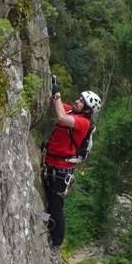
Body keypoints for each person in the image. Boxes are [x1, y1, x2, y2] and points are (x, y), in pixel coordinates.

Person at [42, 79, 101, 250]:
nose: (77, 101)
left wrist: (57, 93)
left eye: (82, 101)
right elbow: (57, 106)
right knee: (47, 200)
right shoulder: (71, 110)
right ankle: (43, 223)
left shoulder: (83, 123)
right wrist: (51, 87)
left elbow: (60, 117)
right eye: (79, 98)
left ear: (88, 109)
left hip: (60, 171)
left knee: (56, 207)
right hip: (51, 164)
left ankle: (56, 243)